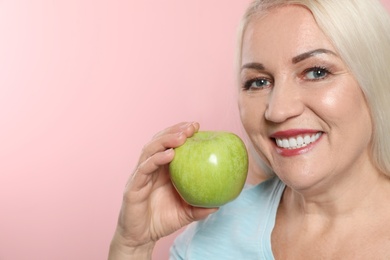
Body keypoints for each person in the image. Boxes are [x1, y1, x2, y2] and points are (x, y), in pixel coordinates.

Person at [108, 0, 390, 259]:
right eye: (258, 82)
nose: (277, 110)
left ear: (375, 79)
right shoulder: (208, 239)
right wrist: (132, 246)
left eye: (316, 71)